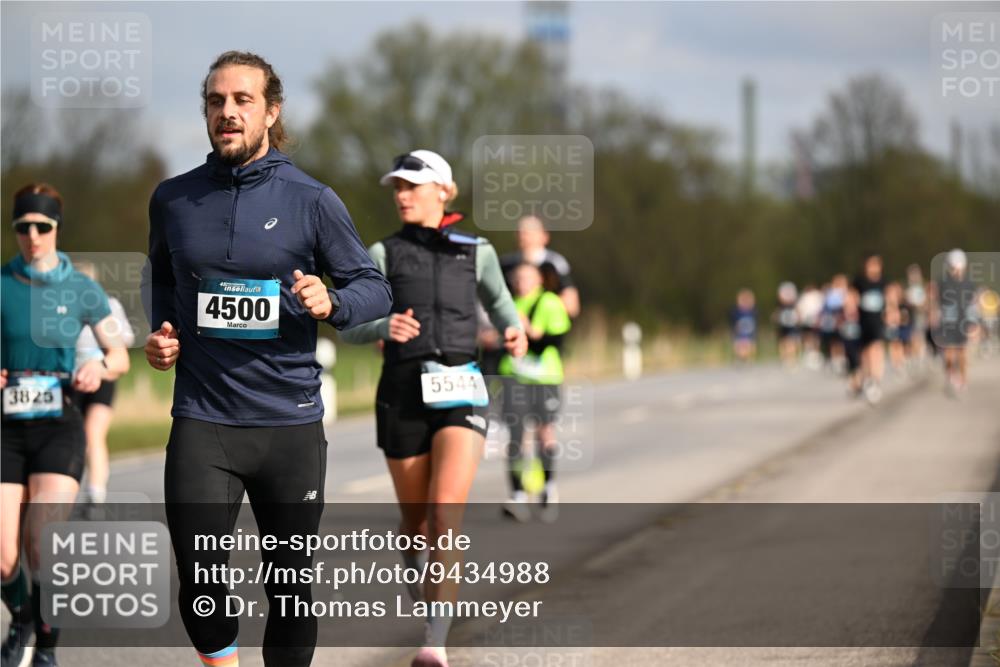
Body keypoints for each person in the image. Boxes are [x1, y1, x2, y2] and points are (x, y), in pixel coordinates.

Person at [144, 51, 392, 667]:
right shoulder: (173, 199)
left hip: (289, 423)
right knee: (200, 581)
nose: (227, 113)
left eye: (242, 100)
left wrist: (330, 301)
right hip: (204, 419)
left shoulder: (311, 199)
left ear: (270, 111)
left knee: (290, 589)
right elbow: (163, 280)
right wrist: (162, 335)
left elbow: (375, 288)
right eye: (215, 101)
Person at [341, 149, 527, 667]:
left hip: (461, 387)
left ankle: (435, 641)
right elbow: (347, 321)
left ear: (443, 191)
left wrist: (514, 331)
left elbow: (503, 305)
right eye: (396, 187)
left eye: (412, 186)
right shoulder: (381, 253)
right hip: (401, 391)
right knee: (416, 524)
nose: (402, 195)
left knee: (445, 515)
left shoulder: (478, 251)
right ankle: (430, 607)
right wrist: (383, 326)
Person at [1, 183, 130, 667]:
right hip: (6, 430)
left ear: (56, 229)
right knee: (4, 557)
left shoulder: (83, 288)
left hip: (59, 426)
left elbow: (119, 355)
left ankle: (47, 652)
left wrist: (99, 366)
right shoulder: (1, 284)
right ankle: (21, 619)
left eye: (42, 227)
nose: (32, 236)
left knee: (44, 546)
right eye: (23, 227)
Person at [498, 263, 571, 523]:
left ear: (539, 280)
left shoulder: (550, 303)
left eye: (527, 277)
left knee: (545, 432)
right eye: (518, 278)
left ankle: (548, 487)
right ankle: (517, 494)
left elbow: (556, 341)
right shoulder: (506, 305)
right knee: (516, 434)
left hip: (545, 378)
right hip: (514, 377)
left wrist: (530, 331)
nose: (522, 282)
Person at [72, 261, 136, 509]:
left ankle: (95, 492)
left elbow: (126, 339)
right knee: (73, 436)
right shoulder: (63, 307)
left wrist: (103, 353)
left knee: (93, 433)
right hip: (73, 379)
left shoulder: (108, 306)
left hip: (103, 377)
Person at [929, 249, 977, 395]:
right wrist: (933, 315)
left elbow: (972, 304)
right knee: (948, 354)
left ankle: (963, 380)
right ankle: (951, 375)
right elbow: (934, 299)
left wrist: (974, 323)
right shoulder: (942, 282)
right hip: (947, 323)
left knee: (962, 353)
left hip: (963, 323)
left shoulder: (969, 283)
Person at [853, 254, 887, 404]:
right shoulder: (859, 282)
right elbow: (852, 298)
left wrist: (892, 312)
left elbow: (890, 298)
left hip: (878, 321)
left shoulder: (883, 282)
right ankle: (867, 378)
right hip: (863, 321)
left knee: (876, 347)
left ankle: (875, 379)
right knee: (865, 351)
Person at [774, 281, 800, 367]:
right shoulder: (781, 306)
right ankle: (784, 358)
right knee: (783, 341)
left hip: (791, 325)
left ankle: (791, 359)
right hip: (783, 325)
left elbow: (798, 313)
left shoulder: (794, 305)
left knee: (791, 341)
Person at [729, 288, 757, 364]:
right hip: (739, 332)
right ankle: (739, 358)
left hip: (749, 332)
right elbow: (733, 322)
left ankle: (748, 359)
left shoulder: (753, 312)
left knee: (749, 345)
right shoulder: (736, 312)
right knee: (738, 345)